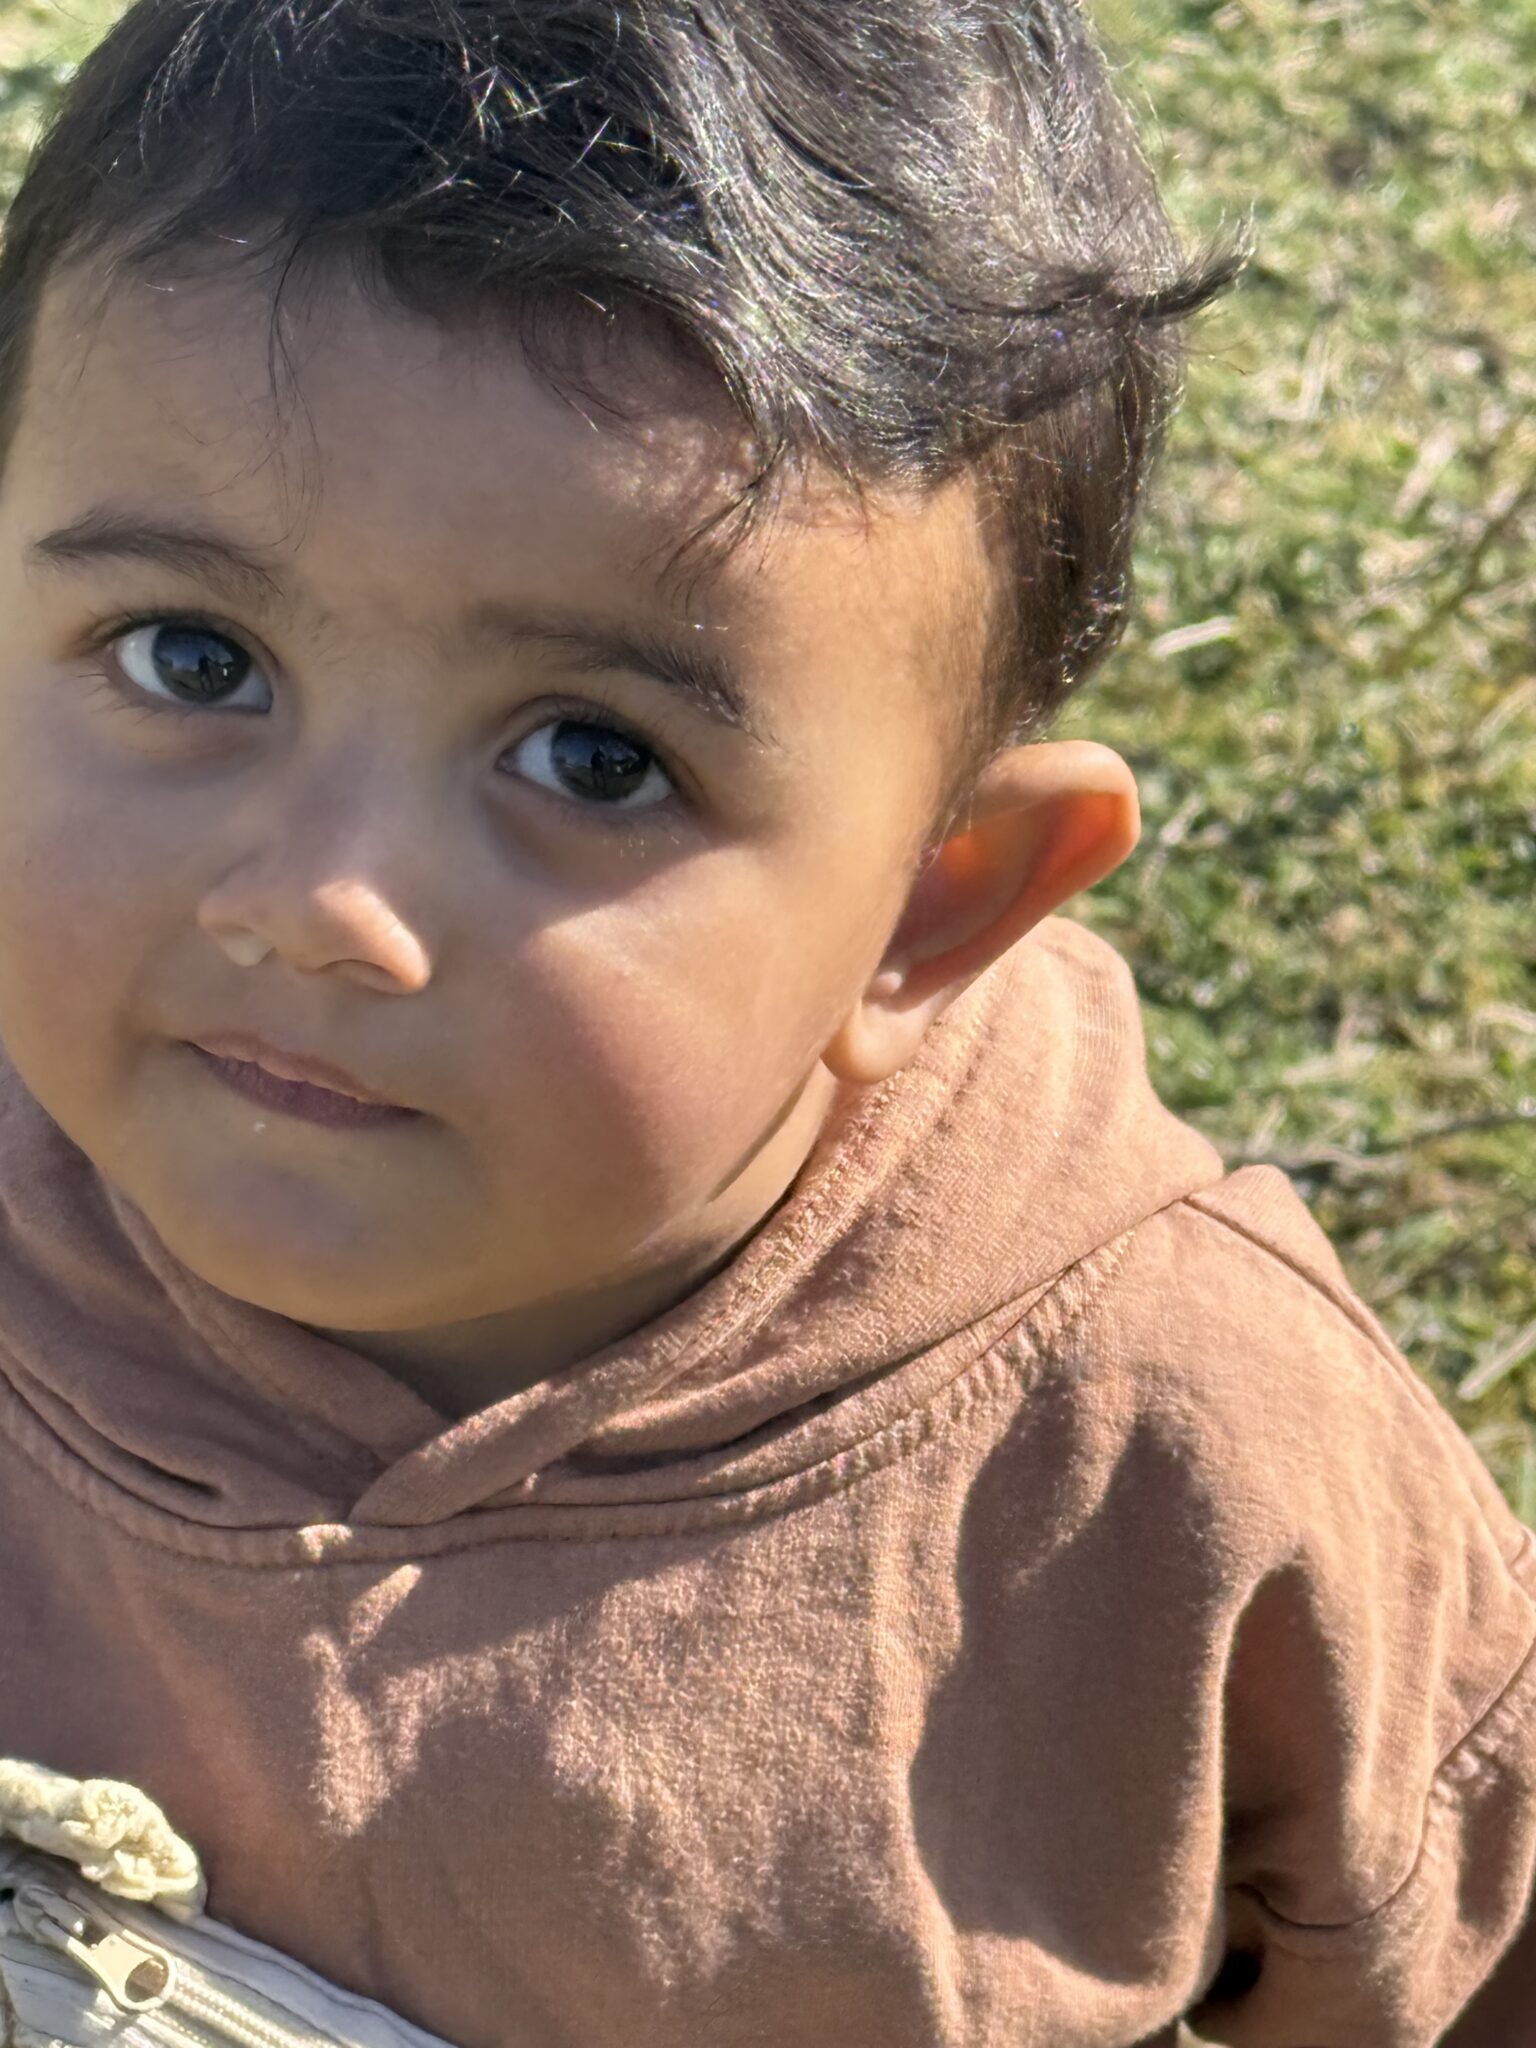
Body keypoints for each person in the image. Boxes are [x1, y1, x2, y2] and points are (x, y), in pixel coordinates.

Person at [0, 0, 1529, 2041]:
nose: (317, 903)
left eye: (594, 758)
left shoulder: (1171, 1459)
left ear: (933, 906)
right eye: (192, 657)